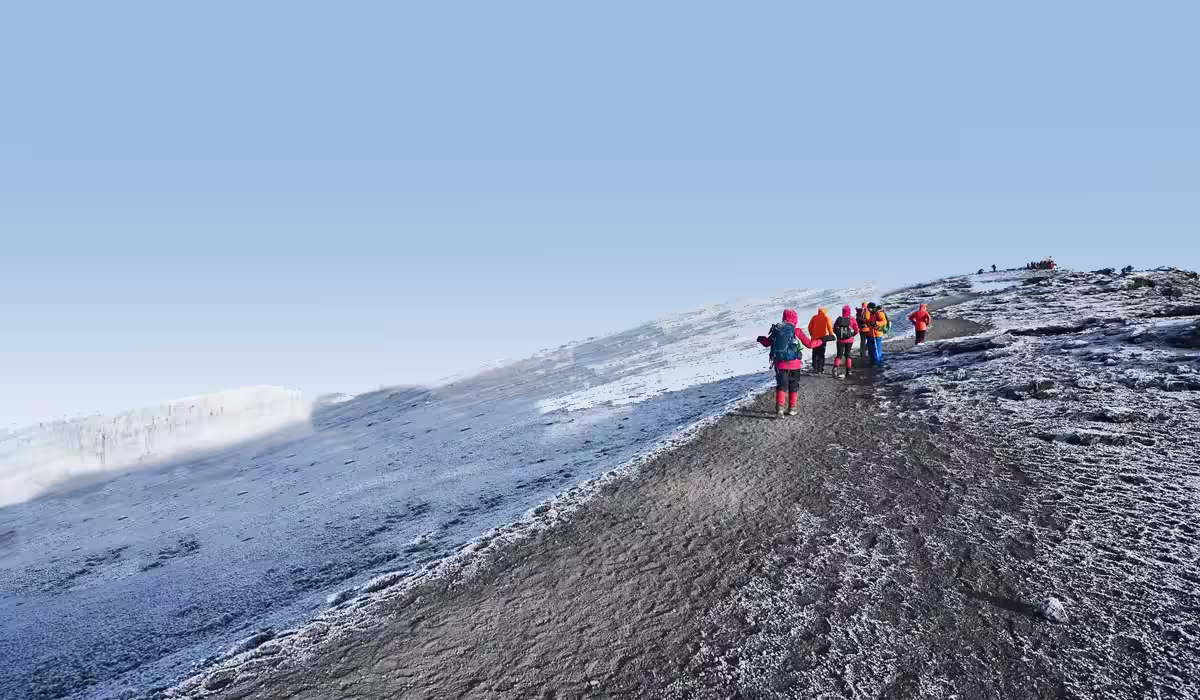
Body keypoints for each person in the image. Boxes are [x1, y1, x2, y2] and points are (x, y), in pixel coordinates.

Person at [756, 309, 822, 418]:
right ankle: (792, 408)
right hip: (795, 364)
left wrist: (761, 339)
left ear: (784, 318)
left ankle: (780, 410)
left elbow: (767, 343)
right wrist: (821, 341)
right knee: (793, 385)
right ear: (795, 319)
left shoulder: (777, 330)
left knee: (782, 386)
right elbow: (810, 344)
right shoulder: (797, 331)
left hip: (780, 364)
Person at [831, 305, 859, 378]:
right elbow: (856, 330)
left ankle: (835, 368)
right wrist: (852, 335)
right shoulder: (852, 319)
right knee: (848, 355)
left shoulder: (839, 319)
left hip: (840, 340)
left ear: (843, 312)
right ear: (849, 312)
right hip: (849, 340)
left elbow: (834, 329)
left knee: (839, 355)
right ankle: (848, 371)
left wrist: (838, 335)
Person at [807, 307, 834, 375]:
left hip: (814, 338)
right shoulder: (826, 317)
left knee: (815, 353)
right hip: (822, 338)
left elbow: (809, 327)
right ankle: (820, 369)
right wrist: (831, 334)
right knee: (821, 354)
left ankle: (814, 367)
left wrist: (812, 334)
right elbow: (830, 327)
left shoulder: (814, 317)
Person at [866, 302, 890, 366]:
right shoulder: (871, 314)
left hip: (877, 335)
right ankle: (873, 361)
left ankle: (878, 363)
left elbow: (884, 321)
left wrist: (877, 323)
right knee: (872, 349)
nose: (868, 310)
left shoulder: (879, 313)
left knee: (877, 350)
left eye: (869, 308)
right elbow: (871, 322)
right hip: (871, 334)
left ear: (872, 308)